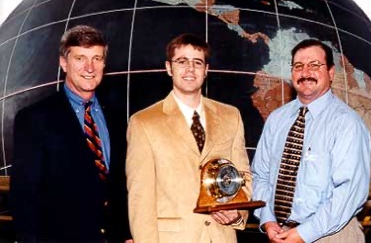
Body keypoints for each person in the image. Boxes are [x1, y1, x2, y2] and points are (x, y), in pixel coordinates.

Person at [10, 25, 132, 242]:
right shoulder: (35, 119)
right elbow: (25, 199)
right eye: (80, 58)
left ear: (105, 63)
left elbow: (121, 186)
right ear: (64, 63)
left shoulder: (117, 116)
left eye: (97, 58)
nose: (89, 67)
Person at [126, 33, 251, 243]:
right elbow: (140, 199)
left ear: (206, 70)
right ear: (168, 68)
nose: (190, 69)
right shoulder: (143, 122)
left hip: (221, 236)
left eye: (197, 62)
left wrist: (237, 214)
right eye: (182, 61)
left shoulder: (231, 116)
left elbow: (243, 175)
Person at [251, 39, 371, 243]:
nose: (305, 72)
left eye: (314, 65)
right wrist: (267, 219)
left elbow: (349, 190)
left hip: (331, 235)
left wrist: (304, 233)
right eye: (298, 66)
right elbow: (260, 175)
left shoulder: (347, 123)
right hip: (280, 233)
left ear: (331, 73)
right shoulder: (277, 120)